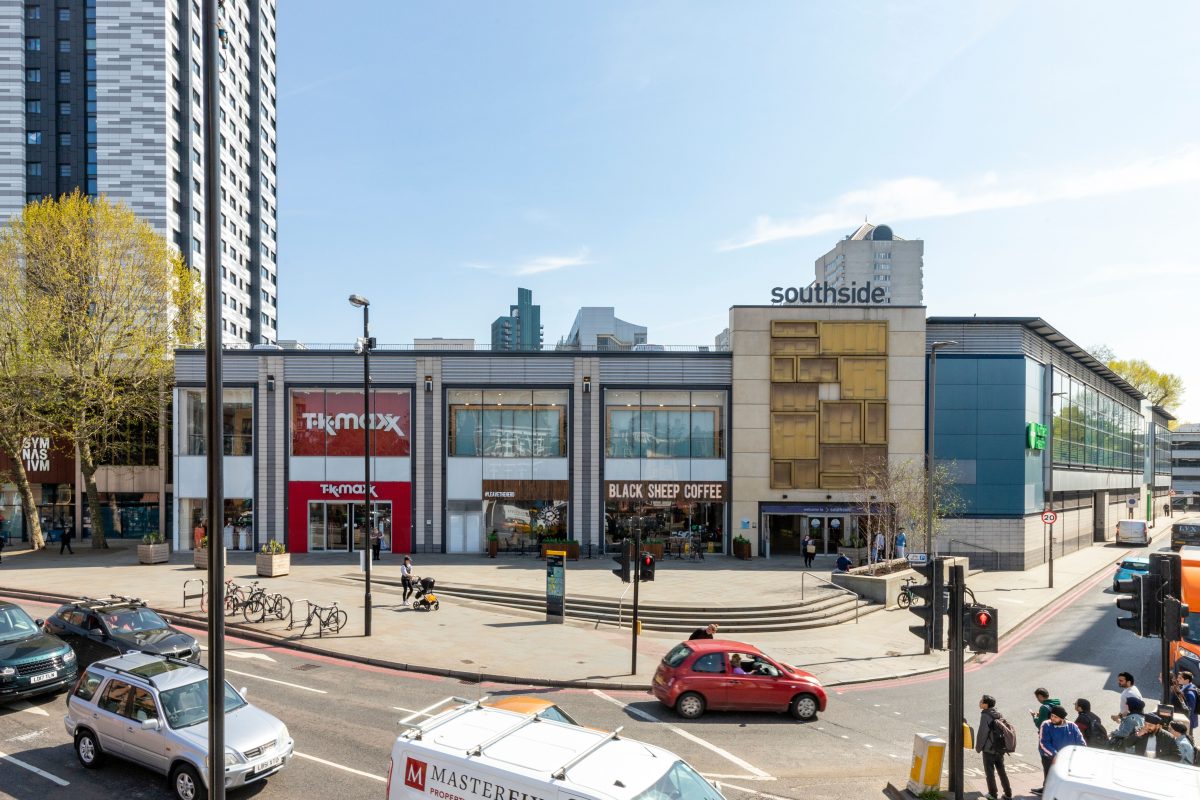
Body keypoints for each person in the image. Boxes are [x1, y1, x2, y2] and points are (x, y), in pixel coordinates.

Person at [1033, 705, 1084, 795]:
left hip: (1068, 759)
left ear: (1062, 718)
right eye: (1052, 715)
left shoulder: (1072, 726)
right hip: (1050, 757)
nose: (1052, 718)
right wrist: (1056, 755)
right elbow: (1044, 743)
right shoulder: (1046, 724)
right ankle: (1047, 791)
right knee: (1050, 776)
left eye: (1055, 717)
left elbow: (1081, 742)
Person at [975, 695, 1013, 800]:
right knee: (1002, 771)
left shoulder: (985, 715)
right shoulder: (998, 714)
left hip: (989, 749)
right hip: (1000, 748)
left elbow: (982, 733)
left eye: (981, 701)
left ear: (986, 704)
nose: (979, 702)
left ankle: (993, 794)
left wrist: (978, 747)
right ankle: (1008, 793)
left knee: (990, 772)